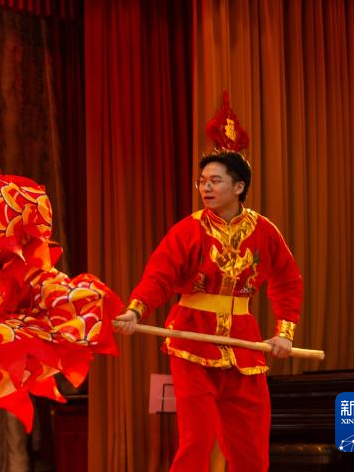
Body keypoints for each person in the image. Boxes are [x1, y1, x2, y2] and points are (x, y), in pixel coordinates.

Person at [112, 149, 303, 472]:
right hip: (192, 341)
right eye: (202, 182)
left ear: (239, 187)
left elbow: (287, 280)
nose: (206, 188)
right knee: (197, 438)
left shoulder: (265, 231)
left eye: (215, 181)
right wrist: (135, 311)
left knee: (251, 443)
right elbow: (159, 276)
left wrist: (284, 332)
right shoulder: (188, 230)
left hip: (244, 345)